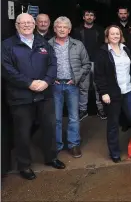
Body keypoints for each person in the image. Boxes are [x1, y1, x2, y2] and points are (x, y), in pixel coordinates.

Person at [2, 13, 65, 180]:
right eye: (22, 23)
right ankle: (24, 165)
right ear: (16, 25)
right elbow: (7, 70)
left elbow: (53, 63)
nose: (27, 25)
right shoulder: (7, 45)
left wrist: (46, 81)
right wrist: (29, 83)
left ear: (34, 25)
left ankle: (51, 158)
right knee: (23, 133)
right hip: (20, 97)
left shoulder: (42, 42)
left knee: (49, 128)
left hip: (45, 94)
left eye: (30, 22)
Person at [94, 25, 131, 162]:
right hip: (112, 94)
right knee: (113, 124)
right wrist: (104, 92)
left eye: (117, 34)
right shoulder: (102, 53)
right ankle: (115, 153)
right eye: (112, 34)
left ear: (121, 35)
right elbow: (99, 75)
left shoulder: (126, 49)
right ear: (107, 36)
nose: (115, 36)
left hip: (128, 90)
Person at [48, 17, 91, 158]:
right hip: (55, 86)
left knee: (73, 116)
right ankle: (57, 145)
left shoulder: (78, 45)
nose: (61, 29)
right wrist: (49, 79)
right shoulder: (47, 44)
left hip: (72, 86)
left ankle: (73, 144)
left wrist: (76, 79)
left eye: (64, 27)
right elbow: (42, 65)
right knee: (56, 118)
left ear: (69, 30)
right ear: (54, 29)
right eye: (58, 26)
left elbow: (86, 65)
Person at [72, 10, 106, 121]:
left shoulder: (100, 30)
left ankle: (100, 109)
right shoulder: (77, 30)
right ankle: (83, 110)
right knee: (83, 87)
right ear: (83, 17)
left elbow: (103, 46)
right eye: (87, 15)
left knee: (98, 87)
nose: (89, 17)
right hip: (82, 63)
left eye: (91, 15)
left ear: (94, 17)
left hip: (97, 62)